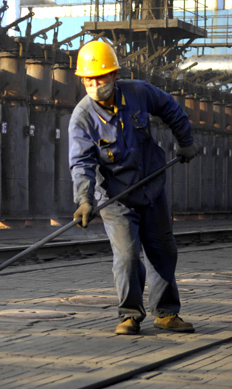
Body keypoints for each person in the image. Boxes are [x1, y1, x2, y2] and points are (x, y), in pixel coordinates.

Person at [68, 40, 199, 335]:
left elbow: (171, 108)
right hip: (117, 198)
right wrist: (85, 199)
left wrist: (186, 141)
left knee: (163, 251)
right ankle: (130, 315)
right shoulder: (82, 119)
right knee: (127, 257)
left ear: (114, 76)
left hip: (152, 188)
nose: (94, 84)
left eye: (100, 78)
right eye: (88, 79)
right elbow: (81, 163)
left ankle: (166, 314)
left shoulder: (139, 92)